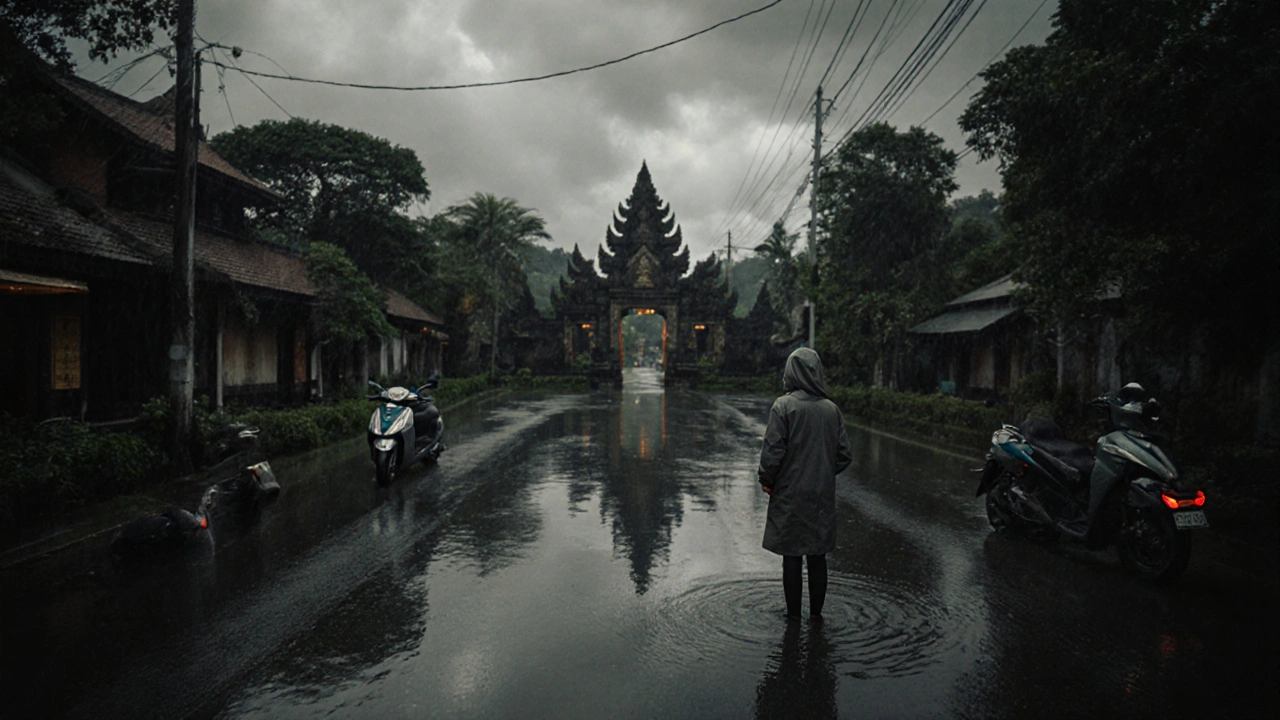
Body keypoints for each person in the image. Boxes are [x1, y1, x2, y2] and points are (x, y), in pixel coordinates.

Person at [758, 347, 852, 620]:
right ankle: (816, 615)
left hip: (789, 493)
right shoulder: (831, 410)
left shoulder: (784, 407)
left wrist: (768, 480)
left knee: (792, 555)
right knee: (817, 554)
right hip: (821, 494)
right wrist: (822, 472)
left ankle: (794, 616)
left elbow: (772, 452)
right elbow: (844, 454)